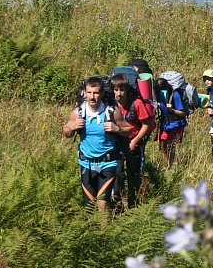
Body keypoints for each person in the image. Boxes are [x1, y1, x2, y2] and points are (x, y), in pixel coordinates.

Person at [62, 77, 132, 220]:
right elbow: (66, 132)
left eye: (96, 93)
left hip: (108, 163)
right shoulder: (78, 113)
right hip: (86, 164)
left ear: (102, 94)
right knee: (89, 207)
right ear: (84, 93)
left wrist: (116, 129)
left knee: (102, 203)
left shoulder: (111, 113)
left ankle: (105, 235)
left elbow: (129, 130)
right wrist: (72, 128)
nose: (92, 97)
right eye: (89, 93)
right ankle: (93, 237)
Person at [111, 74, 154, 208]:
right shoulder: (110, 105)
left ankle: (133, 206)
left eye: (122, 90)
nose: (119, 93)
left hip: (133, 141)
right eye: (116, 90)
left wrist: (135, 141)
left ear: (127, 90)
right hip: (116, 142)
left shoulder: (136, 103)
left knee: (134, 176)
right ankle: (118, 207)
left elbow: (146, 125)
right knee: (117, 175)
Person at [156, 78, 187, 167]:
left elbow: (182, 112)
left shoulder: (175, 95)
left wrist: (172, 110)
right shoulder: (158, 95)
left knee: (170, 147)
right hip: (164, 124)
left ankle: (174, 165)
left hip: (175, 124)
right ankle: (165, 166)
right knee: (162, 146)